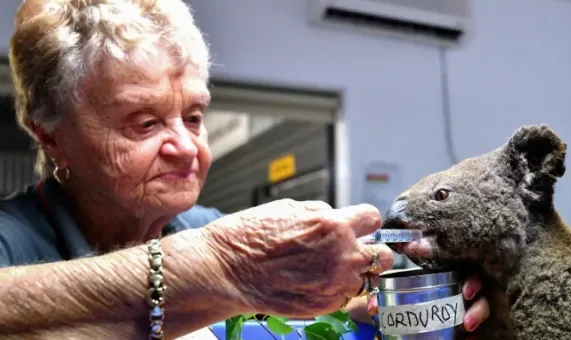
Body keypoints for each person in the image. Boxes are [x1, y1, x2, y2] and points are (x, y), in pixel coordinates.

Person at [0, 0, 491, 338]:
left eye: (194, 117)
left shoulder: (202, 223)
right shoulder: (13, 238)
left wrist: (362, 307)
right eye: (145, 122)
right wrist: (217, 268)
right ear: (51, 136)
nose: (186, 147)